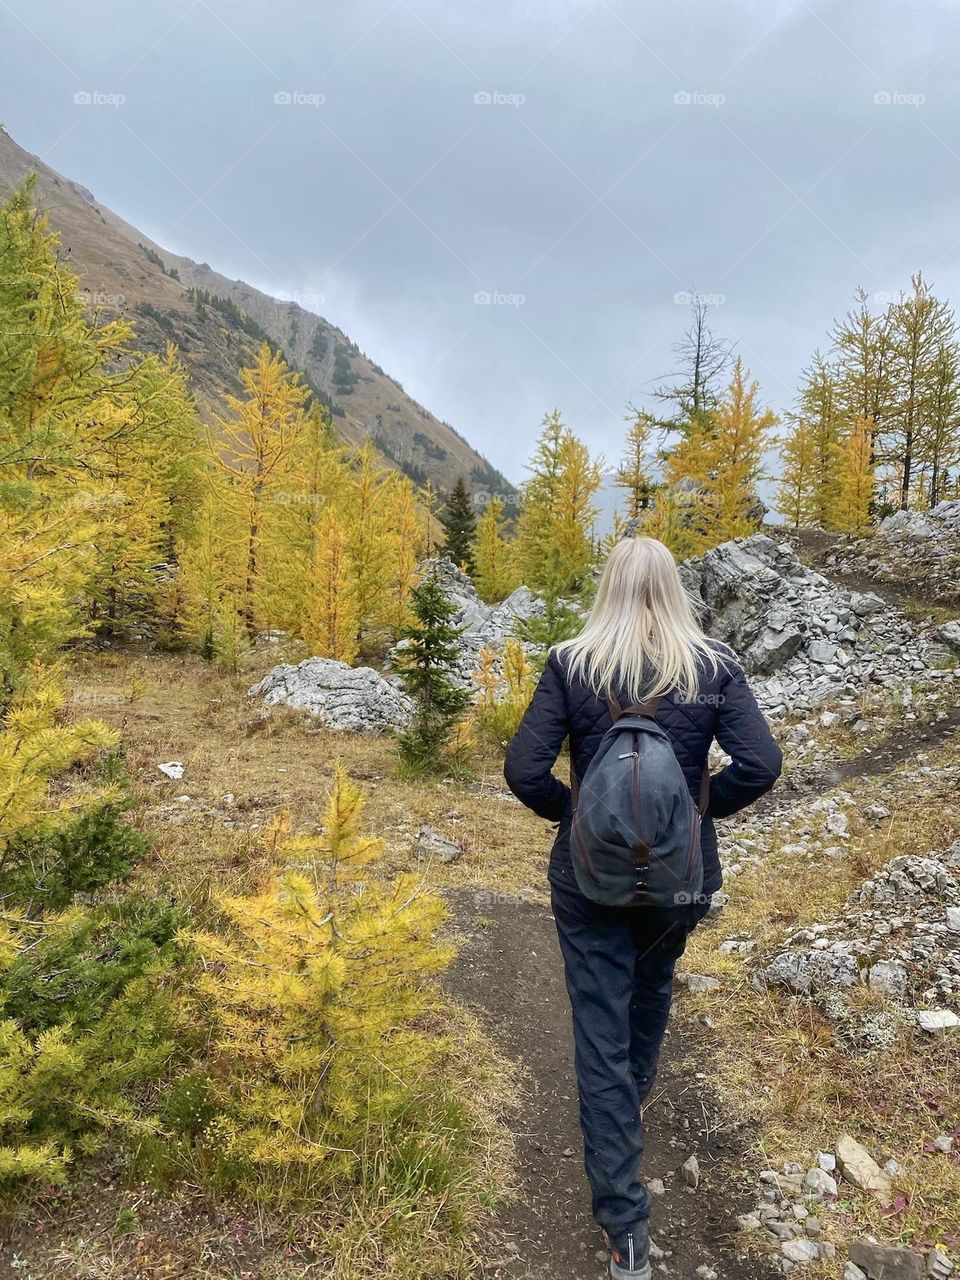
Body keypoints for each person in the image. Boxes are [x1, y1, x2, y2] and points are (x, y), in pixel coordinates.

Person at [504, 536, 782, 1280]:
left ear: (609, 587)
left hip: (587, 878)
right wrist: (696, 815)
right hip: (680, 880)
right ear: (673, 588)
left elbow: (523, 770)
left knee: (600, 1029)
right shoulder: (713, 664)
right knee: (653, 987)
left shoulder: (574, 661)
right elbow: (763, 764)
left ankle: (625, 1228)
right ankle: (630, 1102)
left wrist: (576, 817)